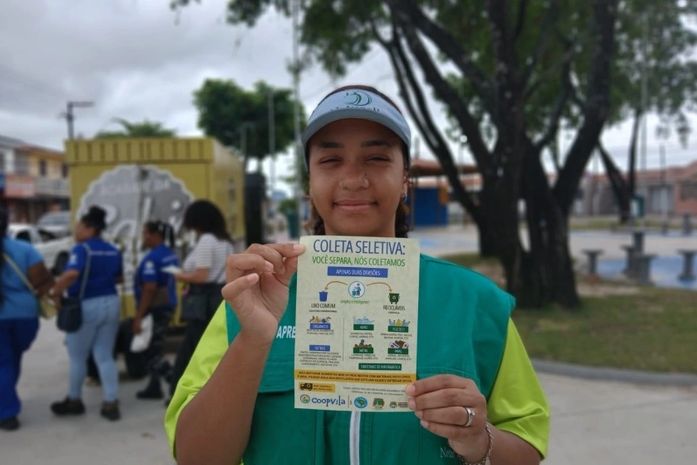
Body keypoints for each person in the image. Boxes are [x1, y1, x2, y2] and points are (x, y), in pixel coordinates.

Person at [165, 85, 550, 465]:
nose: (353, 179)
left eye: (377, 158)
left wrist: (479, 440)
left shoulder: (475, 302)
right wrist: (253, 339)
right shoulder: (254, 298)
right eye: (331, 160)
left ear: (405, 179)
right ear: (310, 182)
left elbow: (527, 449)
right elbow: (196, 458)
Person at [49, 206, 124, 421]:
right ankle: (110, 402)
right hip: (111, 302)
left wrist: (56, 291)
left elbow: (71, 273)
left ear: (90, 228)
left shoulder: (82, 249)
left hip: (87, 305)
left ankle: (74, 400)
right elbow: (119, 278)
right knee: (105, 355)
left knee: (77, 357)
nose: (76, 231)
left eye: (79, 227)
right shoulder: (113, 250)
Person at [167, 200, 234, 399]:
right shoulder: (226, 242)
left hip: (202, 301)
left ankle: (180, 392)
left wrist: (179, 275)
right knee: (211, 347)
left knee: (192, 349)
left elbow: (202, 276)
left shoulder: (206, 240)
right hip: (219, 298)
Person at [0, 207, 53, 431]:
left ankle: (7, 413)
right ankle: (6, 400)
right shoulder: (25, 249)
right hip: (25, 315)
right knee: (12, 359)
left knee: (4, 362)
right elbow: (43, 283)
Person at [133, 220, 179, 400]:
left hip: (155, 309)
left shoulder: (152, 258)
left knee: (151, 352)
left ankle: (174, 383)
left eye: (145, 233)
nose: (143, 238)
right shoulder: (169, 254)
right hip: (167, 305)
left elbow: (149, 288)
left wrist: (139, 316)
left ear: (155, 235)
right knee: (156, 347)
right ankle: (154, 387)